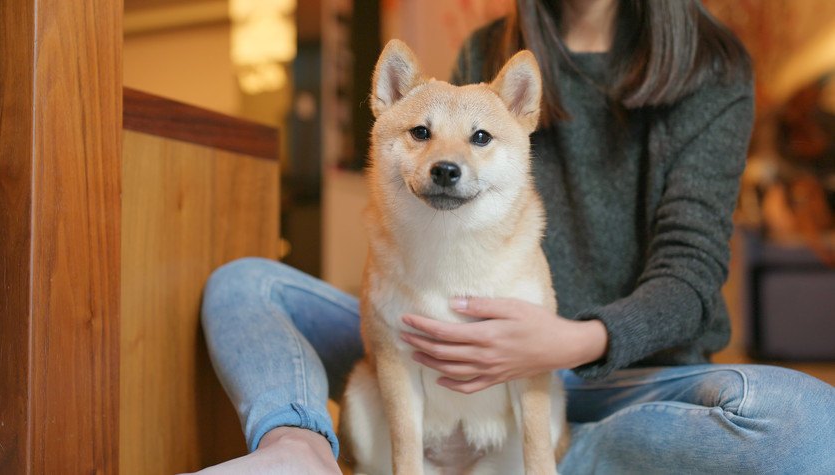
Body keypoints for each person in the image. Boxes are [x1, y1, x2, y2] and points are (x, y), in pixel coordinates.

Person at [197, 0, 835, 473]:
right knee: (245, 284)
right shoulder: (491, 49)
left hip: (622, 375)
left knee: (812, 425)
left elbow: (692, 273)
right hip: (441, 341)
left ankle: (560, 457)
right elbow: (435, 158)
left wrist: (570, 341)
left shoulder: (711, 68)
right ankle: (299, 446)